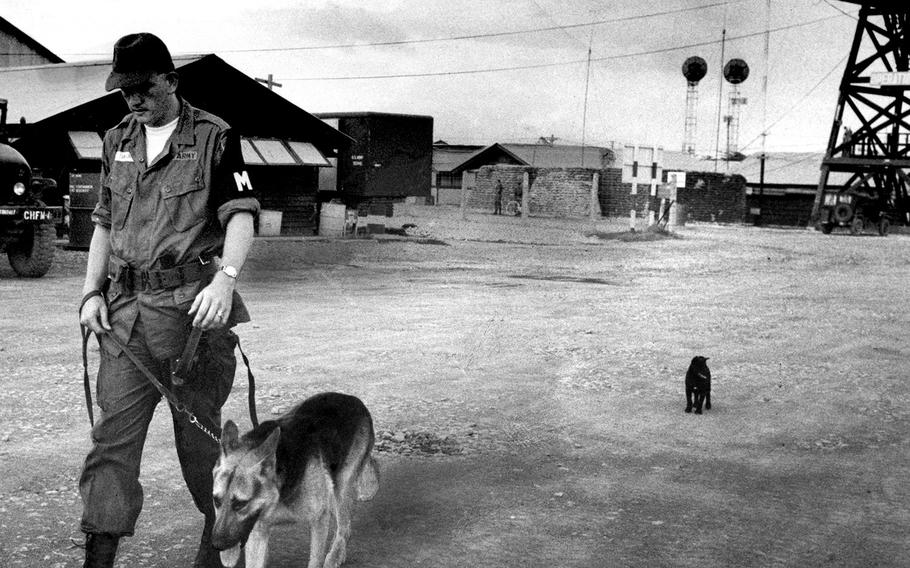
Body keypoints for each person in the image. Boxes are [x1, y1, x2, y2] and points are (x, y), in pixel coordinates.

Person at [77, 33, 260, 568]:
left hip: (191, 315)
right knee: (111, 443)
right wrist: (91, 291)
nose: (133, 99)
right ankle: (99, 555)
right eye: (124, 89)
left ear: (171, 81)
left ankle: (220, 548)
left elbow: (241, 215)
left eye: (143, 87)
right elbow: (105, 224)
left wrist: (225, 279)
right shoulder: (117, 140)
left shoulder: (214, 136)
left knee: (202, 444)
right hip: (124, 318)